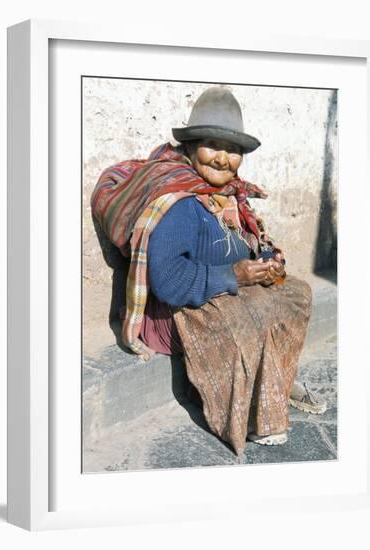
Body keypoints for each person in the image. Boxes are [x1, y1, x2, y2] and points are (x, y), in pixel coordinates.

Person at [91, 86, 325, 456]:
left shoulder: (229, 195)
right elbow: (167, 281)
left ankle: (273, 381)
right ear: (190, 147)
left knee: (295, 292)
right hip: (175, 312)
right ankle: (245, 412)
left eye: (233, 150)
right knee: (247, 311)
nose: (222, 158)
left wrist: (266, 260)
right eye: (212, 145)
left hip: (218, 288)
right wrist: (237, 277)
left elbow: (241, 242)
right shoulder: (179, 201)